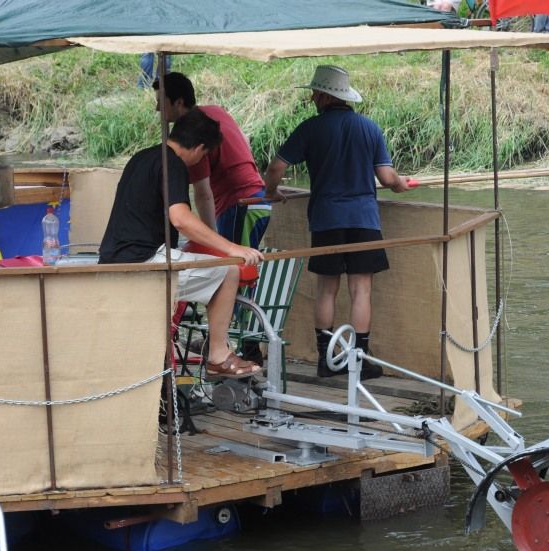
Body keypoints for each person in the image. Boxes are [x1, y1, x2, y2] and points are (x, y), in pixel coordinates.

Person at [262, 65, 410, 380]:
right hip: (363, 219)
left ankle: (326, 360)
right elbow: (386, 178)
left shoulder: (310, 129)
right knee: (361, 291)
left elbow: (275, 168)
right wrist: (401, 184)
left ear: (324, 96)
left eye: (315, 93)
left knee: (327, 289)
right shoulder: (369, 128)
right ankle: (359, 360)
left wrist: (271, 192)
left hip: (326, 218)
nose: (313, 97)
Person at [99, 108, 264, 379]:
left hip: (113, 259)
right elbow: (181, 218)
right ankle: (219, 355)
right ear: (200, 148)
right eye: (204, 155)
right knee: (229, 270)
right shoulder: (172, 163)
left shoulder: (141, 157)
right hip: (145, 263)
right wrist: (231, 248)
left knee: (214, 267)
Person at [153, 72, 269, 362]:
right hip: (257, 199)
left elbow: (203, 194)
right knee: (231, 267)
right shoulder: (215, 111)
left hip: (239, 204)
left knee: (233, 268)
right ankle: (225, 342)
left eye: (160, 102)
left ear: (178, 102)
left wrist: (213, 242)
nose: (157, 110)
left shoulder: (193, 132)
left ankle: (238, 348)